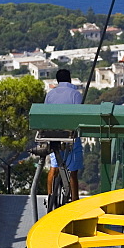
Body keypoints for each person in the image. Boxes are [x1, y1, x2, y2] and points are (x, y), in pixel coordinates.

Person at [44, 69, 83, 201]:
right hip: (69, 135)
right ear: (70, 79)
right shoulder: (75, 94)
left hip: (53, 135)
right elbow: (79, 115)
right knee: (73, 171)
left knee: (54, 167)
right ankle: (75, 199)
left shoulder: (50, 94)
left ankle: (50, 197)